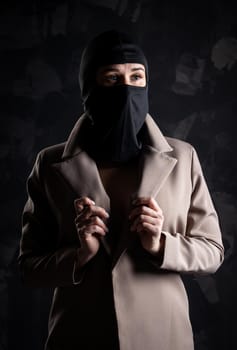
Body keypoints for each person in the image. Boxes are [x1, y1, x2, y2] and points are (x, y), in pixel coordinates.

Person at [18, 30, 224, 350]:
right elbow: (29, 268)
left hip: (162, 337)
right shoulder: (49, 164)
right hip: (79, 336)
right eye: (112, 78)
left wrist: (160, 244)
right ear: (89, 86)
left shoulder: (184, 158)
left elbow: (212, 251)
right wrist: (80, 254)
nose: (127, 89)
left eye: (137, 77)